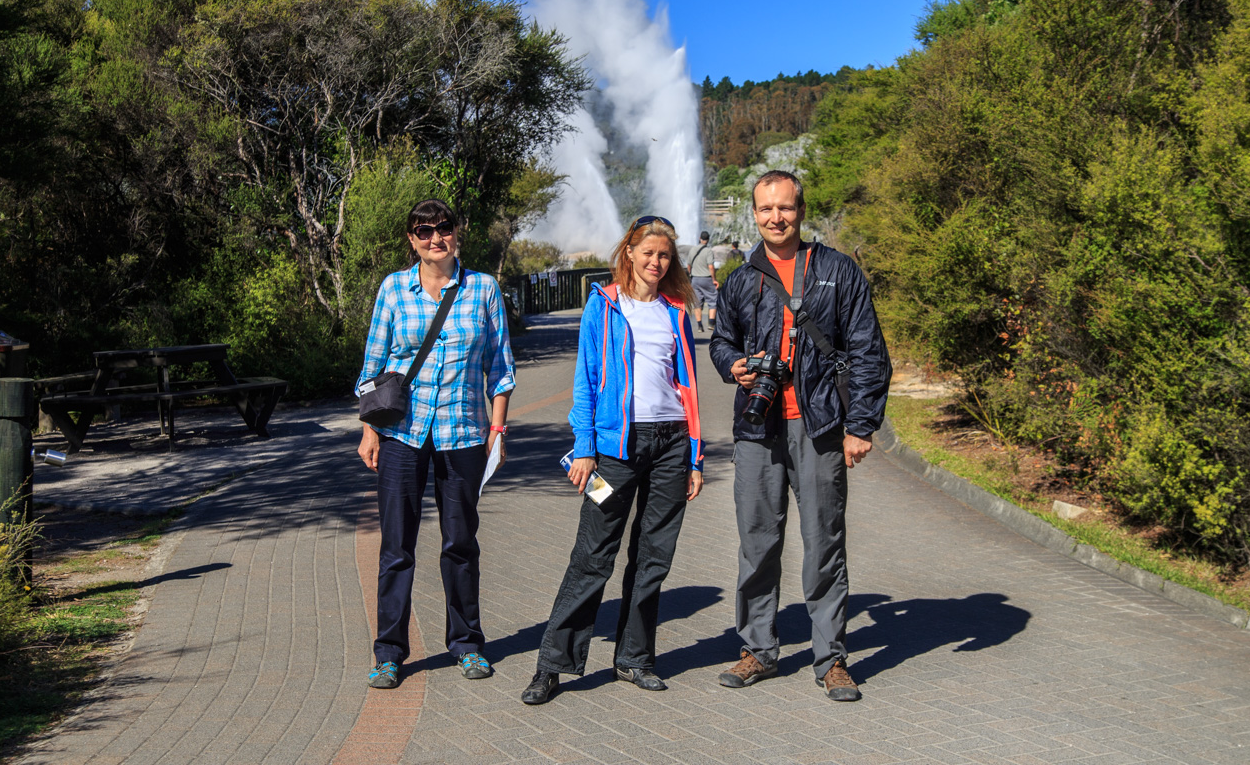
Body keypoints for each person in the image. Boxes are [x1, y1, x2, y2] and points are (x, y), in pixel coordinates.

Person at [709, 170, 891, 702]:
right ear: (754, 212)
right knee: (757, 542)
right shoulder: (743, 278)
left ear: (800, 210)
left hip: (821, 426)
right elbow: (721, 341)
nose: (775, 218)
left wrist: (860, 425)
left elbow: (867, 351)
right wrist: (734, 365)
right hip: (757, 427)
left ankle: (831, 658)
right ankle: (758, 650)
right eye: (765, 209)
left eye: (784, 208)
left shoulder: (837, 271)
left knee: (824, 544)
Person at [521, 215, 704, 705]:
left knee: (653, 558)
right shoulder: (603, 305)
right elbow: (584, 380)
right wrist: (583, 448)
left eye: (664, 256)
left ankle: (635, 658)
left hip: (671, 445)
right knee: (593, 555)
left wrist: (695, 457)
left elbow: (687, 386)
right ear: (629, 252)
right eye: (648, 253)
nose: (656, 263)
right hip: (614, 452)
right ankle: (553, 665)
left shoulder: (675, 310)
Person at [356, 198, 515, 690]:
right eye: (423, 232)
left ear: (456, 232)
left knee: (461, 544)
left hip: (464, 433)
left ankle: (467, 643)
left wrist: (498, 431)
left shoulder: (483, 289)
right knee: (397, 547)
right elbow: (372, 366)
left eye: (442, 229)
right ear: (411, 239)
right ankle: (389, 653)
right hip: (403, 435)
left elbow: (500, 367)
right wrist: (368, 430)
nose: (434, 239)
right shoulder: (393, 290)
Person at [687, 230, 718, 332]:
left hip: (695, 279)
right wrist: (714, 279)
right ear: (708, 240)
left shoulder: (693, 250)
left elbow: (688, 265)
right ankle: (711, 323)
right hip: (707, 279)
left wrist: (691, 274)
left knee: (697, 303)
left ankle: (700, 326)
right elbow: (711, 266)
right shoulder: (708, 251)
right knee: (713, 300)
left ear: (700, 238)